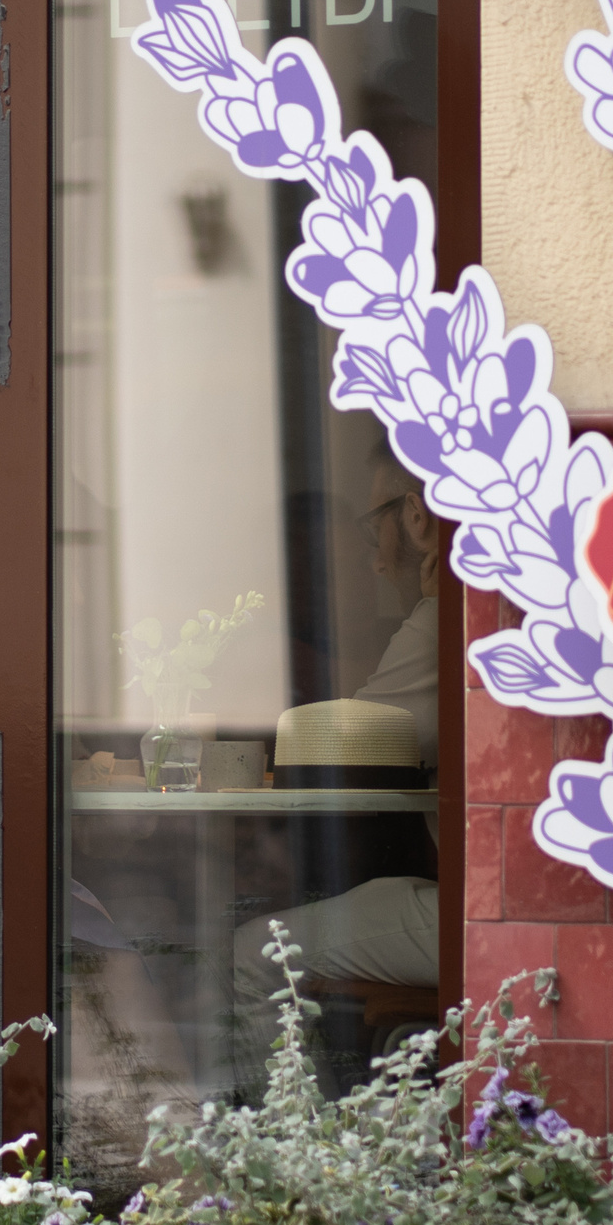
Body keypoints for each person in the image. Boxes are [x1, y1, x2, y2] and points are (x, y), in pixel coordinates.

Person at [231, 440, 443, 1065]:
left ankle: (291, 1147)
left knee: (253, 955)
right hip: (466, 892)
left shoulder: (438, 624)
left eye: (372, 528)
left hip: (479, 909)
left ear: (415, 518)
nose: (375, 562)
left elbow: (345, 743)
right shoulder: (436, 620)